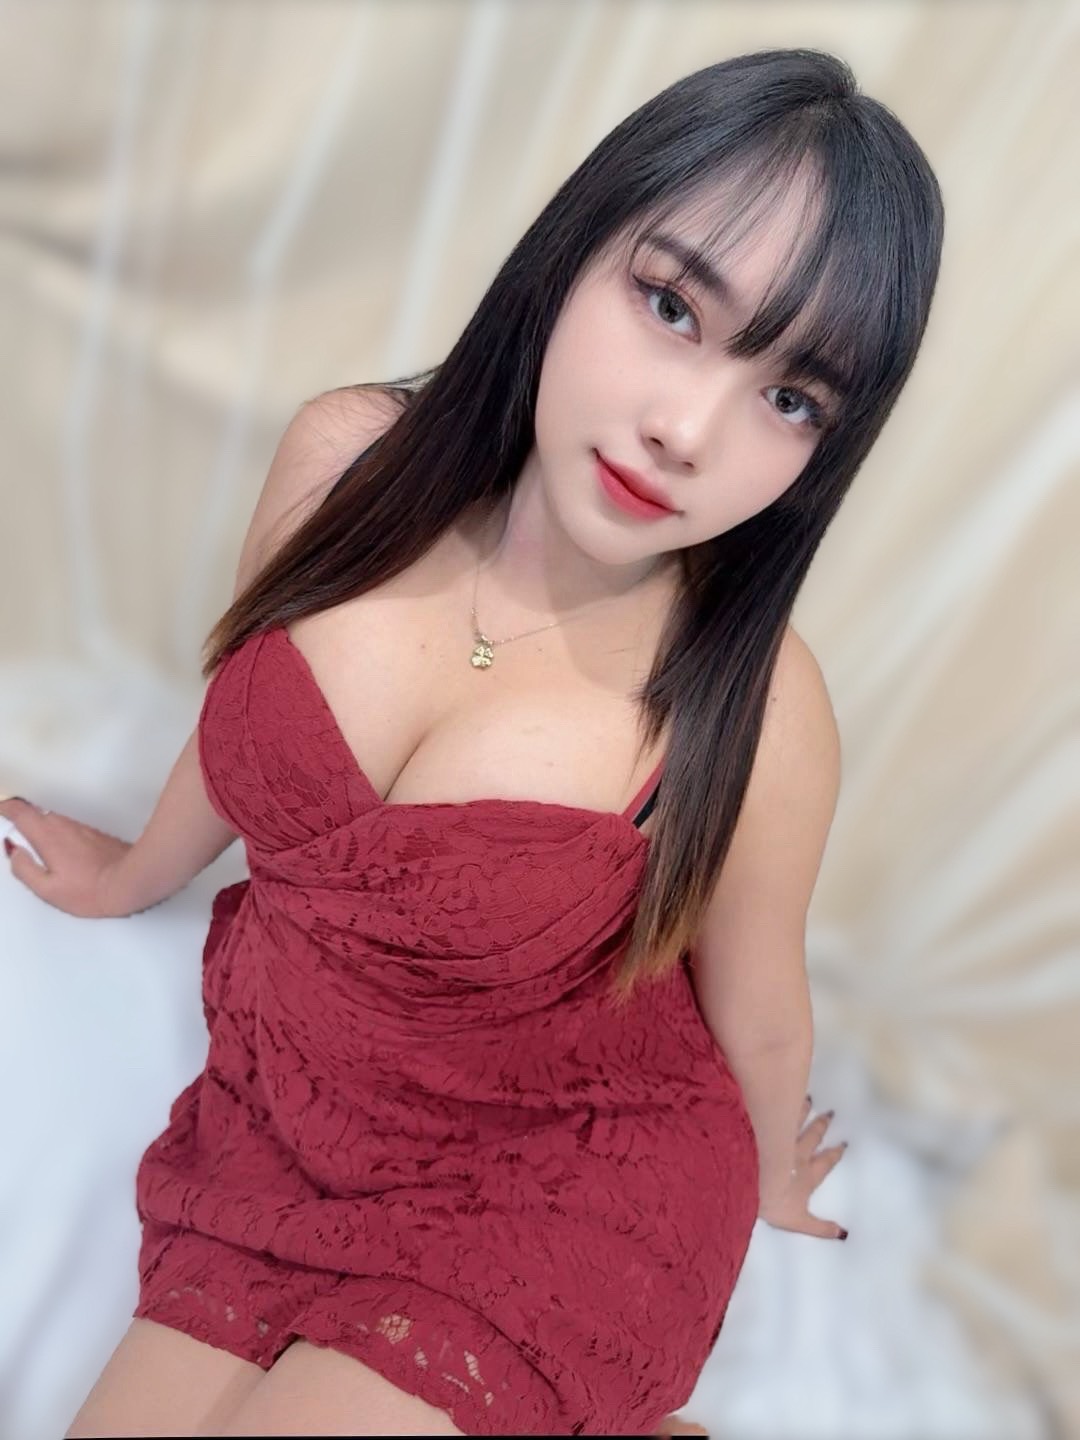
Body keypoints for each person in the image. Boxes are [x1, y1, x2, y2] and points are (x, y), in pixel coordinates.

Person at [1, 46, 943, 1439]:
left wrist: (773, 1172)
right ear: (574, 250)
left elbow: (758, 999)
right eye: (671, 305)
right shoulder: (345, 463)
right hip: (286, 1125)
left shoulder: (755, 702)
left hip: (561, 1182)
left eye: (791, 398)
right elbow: (244, 708)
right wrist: (139, 869)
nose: (686, 429)